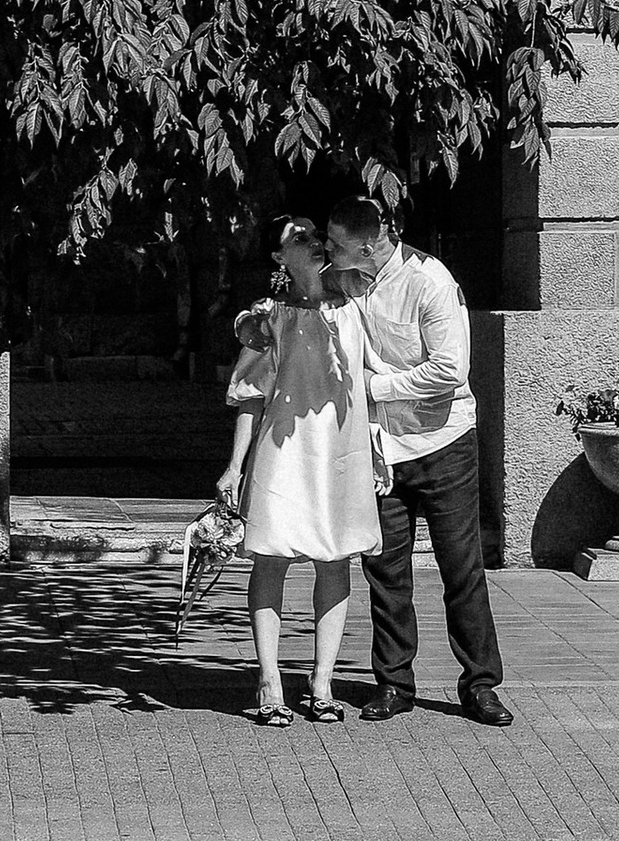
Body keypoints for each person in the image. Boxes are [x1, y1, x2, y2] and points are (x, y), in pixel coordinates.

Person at [326, 190, 511, 729]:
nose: (329, 252)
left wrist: (374, 388)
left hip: (442, 445)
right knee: (384, 571)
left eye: (337, 245)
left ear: (368, 244)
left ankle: (480, 686)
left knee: (462, 569)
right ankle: (393, 684)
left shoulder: (428, 282)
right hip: (381, 449)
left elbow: (450, 370)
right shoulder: (348, 277)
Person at [219, 218, 383, 728]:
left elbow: (373, 381)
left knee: (335, 560)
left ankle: (322, 682)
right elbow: (250, 395)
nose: (310, 241)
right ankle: (269, 680)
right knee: (270, 559)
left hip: (341, 450)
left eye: (314, 234)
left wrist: (380, 450)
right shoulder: (269, 316)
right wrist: (233, 467)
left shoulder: (356, 305)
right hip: (283, 451)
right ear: (279, 257)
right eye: (297, 236)